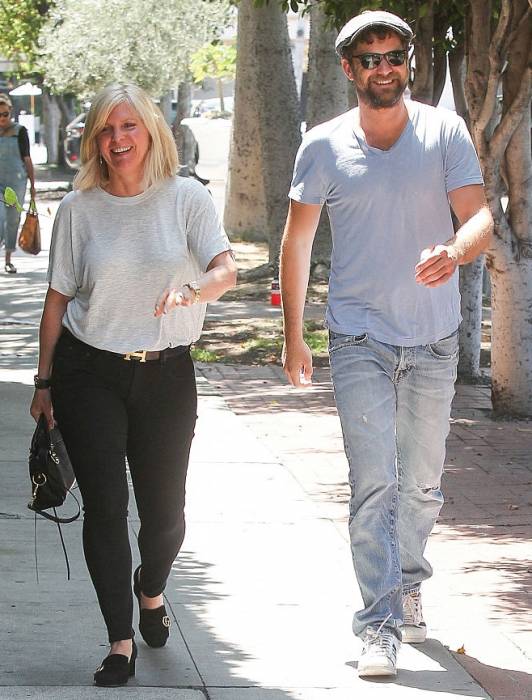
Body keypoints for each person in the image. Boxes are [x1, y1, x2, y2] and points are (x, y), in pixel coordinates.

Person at [280, 10, 493, 679]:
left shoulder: (444, 132)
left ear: (409, 63)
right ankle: (379, 622)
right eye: (369, 59)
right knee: (375, 482)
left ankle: (408, 581)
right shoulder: (323, 145)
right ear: (349, 69)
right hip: (358, 336)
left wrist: (455, 251)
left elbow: (479, 217)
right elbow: (297, 242)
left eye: (394, 56)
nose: (383, 68)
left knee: (422, 484)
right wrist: (293, 336)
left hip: (433, 337)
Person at [29, 83, 237, 687]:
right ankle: (119, 640)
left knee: (165, 516)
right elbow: (57, 299)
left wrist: (193, 291)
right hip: (89, 371)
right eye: (106, 130)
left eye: (129, 127)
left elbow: (226, 269)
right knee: (105, 508)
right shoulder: (79, 209)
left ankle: (151, 587)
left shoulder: (186, 198)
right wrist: (44, 382)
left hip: (167, 373)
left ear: (150, 131)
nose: (117, 140)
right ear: (94, 140)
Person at [0, 93, 36, 273]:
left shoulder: (20, 131)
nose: (2, 118)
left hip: (16, 182)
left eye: (5, 114)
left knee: (13, 220)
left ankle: (8, 258)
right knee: (0, 218)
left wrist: (33, 185)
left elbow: (27, 158)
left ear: (10, 112)